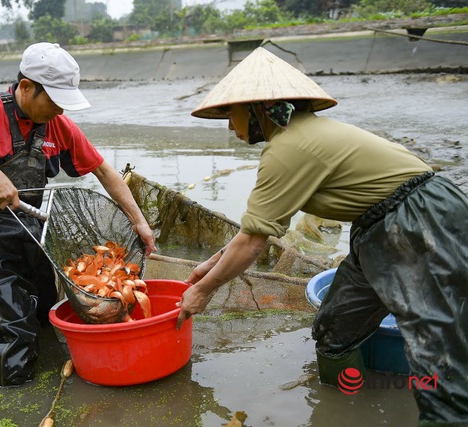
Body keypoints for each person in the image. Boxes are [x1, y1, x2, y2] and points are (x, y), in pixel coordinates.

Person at [175, 47, 468, 426]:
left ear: (259, 109)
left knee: (439, 354)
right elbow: (254, 230)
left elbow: (252, 244)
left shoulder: (288, 148)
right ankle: (344, 410)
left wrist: (203, 290)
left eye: (230, 115)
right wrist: (209, 267)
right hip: (378, 230)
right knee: (336, 329)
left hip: (420, 223)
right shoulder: (295, 140)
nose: (230, 127)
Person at [0, 42, 156, 387]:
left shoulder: (58, 125)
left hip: (32, 228)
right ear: (26, 87)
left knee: (44, 312)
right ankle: (9, 391)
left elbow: (104, 171)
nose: (58, 111)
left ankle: (47, 371)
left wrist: (140, 223)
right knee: (12, 326)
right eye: (53, 101)